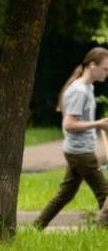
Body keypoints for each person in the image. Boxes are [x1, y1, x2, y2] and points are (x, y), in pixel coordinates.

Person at [34, 47, 108, 229]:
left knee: (65, 194)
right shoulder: (79, 91)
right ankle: (100, 234)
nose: (107, 73)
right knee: (105, 195)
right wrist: (98, 124)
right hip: (80, 152)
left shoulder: (88, 88)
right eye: (105, 68)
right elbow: (68, 124)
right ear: (92, 65)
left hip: (78, 150)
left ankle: (35, 227)